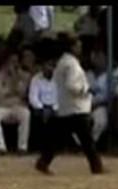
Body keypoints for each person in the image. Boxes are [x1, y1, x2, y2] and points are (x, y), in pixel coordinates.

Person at [35, 35, 103, 174]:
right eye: (77, 45)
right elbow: (72, 85)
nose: (80, 47)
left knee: (59, 139)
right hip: (77, 107)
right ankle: (96, 167)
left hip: (66, 106)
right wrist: (86, 89)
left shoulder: (62, 62)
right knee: (86, 140)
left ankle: (43, 161)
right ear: (72, 47)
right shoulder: (72, 64)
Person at [0, 52, 32, 154]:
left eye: (16, 62)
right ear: (6, 63)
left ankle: (22, 147)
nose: (14, 64)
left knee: (26, 114)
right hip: (2, 106)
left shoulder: (25, 76)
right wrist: (12, 91)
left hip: (18, 106)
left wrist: (14, 79)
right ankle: (0, 147)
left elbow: (22, 92)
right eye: (11, 62)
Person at [28, 56, 58, 151]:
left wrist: (53, 108)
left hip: (56, 108)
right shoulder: (36, 79)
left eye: (52, 66)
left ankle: (57, 146)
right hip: (40, 108)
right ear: (43, 66)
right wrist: (43, 108)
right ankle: (39, 147)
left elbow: (62, 97)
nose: (50, 68)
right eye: (48, 65)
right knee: (39, 115)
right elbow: (33, 98)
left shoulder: (60, 79)